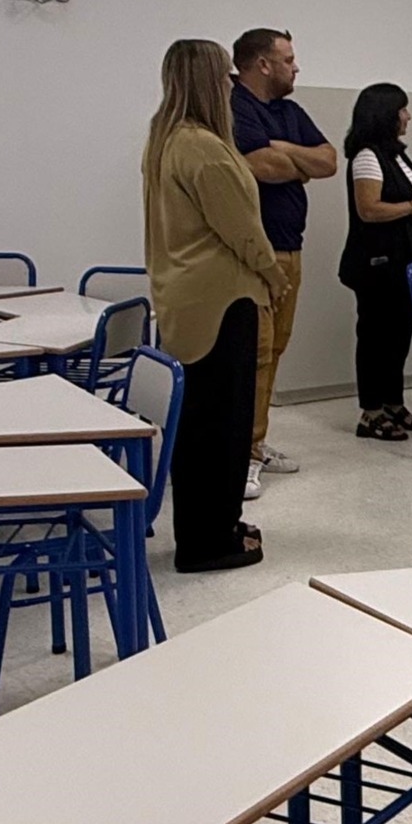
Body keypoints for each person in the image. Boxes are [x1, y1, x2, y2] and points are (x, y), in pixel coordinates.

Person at [143, 38, 287, 573]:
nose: (230, 87)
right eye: (225, 76)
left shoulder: (164, 139)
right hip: (221, 301)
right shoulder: (203, 147)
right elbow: (241, 229)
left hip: (184, 298)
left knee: (200, 425)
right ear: (209, 81)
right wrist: (274, 275)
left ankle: (213, 525)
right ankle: (209, 542)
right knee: (222, 427)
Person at [230, 27, 337, 499]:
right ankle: (241, 454)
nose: (296, 67)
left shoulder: (289, 113)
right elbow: (260, 166)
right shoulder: (235, 106)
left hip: (292, 247)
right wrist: (295, 163)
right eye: (289, 60)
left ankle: (255, 441)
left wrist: (283, 149)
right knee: (254, 352)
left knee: (274, 350)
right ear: (263, 64)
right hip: (256, 254)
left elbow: (329, 161)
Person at [339, 83, 412, 441]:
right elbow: (368, 209)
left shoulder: (395, 154)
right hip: (376, 262)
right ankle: (371, 412)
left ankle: (393, 403)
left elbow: (407, 195)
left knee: (399, 334)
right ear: (386, 114)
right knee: (375, 336)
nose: (408, 116)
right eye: (403, 110)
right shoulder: (366, 156)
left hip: (404, 259)